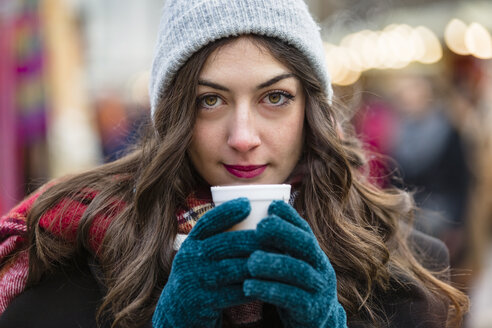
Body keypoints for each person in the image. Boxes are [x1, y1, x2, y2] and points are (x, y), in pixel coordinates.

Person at [0, 0, 468, 327]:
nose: (243, 137)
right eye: (210, 101)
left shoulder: (403, 264)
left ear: (311, 110)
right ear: (173, 115)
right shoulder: (73, 255)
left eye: (275, 97)